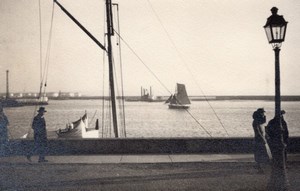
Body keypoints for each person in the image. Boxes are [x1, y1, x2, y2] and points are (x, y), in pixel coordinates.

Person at [252, 108, 271, 173]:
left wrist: (266, 136)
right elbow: (258, 132)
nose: (263, 114)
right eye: (262, 113)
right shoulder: (255, 122)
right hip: (258, 140)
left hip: (262, 139)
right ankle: (259, 168)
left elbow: (263, 129)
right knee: (259, 154)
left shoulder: (260, 122)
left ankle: (261, 168)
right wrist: (263, 139)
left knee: (263, 154)